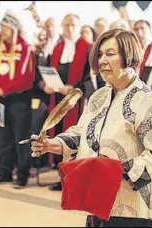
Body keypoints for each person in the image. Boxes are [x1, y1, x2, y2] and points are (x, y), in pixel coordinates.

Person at [30, 28, 152, 227]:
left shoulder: (147, 102)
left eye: (110, 54)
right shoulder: (99, 96)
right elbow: (82, 133)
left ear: (129, 56)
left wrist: (114, 170)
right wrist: (52, 144)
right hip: (98, 203)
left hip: (133, 209)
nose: (102, 60)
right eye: (100, 54)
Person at [0, 9, 35, 189]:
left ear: (14, 29)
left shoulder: (26, 49)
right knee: (2, 138)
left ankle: (21, 175)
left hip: (18, 100)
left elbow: (25, 80)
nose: (1, 32)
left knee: (20, 138)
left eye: (4, 28)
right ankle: (4, 172)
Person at [45, 14, 94, 191]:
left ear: (79, 26)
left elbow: (90, 79)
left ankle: (75, 180)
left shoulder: (88, 48)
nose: (70, 28)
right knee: (59, 135)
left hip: (76, 102)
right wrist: (50, 86)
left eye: (73, 25)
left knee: (73, 138)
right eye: (66, 25)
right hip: (58, 100)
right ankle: (62, 178)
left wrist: (73, 89)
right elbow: (52, 72)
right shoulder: (58, 48)